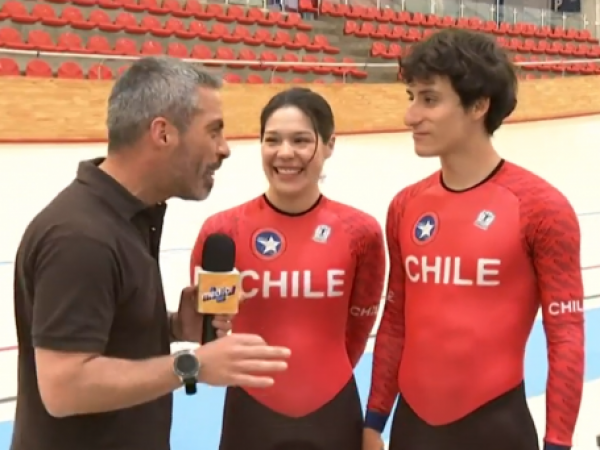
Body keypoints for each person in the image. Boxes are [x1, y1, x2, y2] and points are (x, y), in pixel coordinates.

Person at [10, 56, 291, 450]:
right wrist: (192, 366)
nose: (225, 149)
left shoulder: (125, 218)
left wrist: (172, 326)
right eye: (213, 131)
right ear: (163, 133)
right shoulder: (81, 237)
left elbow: (104, 336)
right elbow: (65, 387)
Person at [363, 29, 584, 450]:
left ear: (479, 106)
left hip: (496, 429)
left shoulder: (540, 208)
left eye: (429, 99)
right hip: (412, 430)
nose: (410, 116)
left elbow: (566, 335)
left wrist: (559, 442)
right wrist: (374, 420)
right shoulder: (405, 206)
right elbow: (394, 322)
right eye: (411, 97)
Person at [190, 87, 387, 450]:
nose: (284, 153)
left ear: (329, 144)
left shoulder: (361, 233)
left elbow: (358, 329)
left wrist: (318, 372)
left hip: (333, 411)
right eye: (272, 140)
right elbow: (209, 335)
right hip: (251, 415)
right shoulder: (223, 232)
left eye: (300, 140)